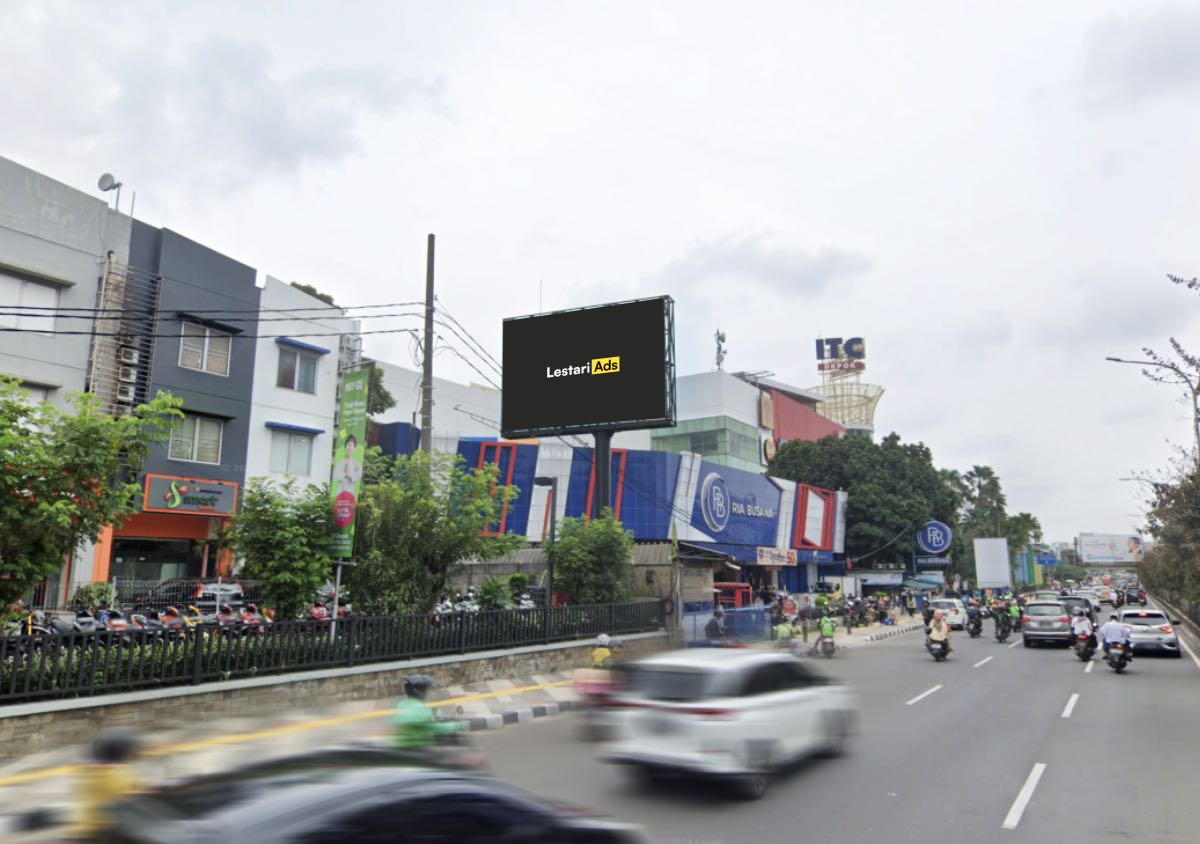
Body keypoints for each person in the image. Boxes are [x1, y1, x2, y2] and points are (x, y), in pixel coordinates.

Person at [72, 728, 143, 839]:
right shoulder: (116, 773)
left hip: (84, 826)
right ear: (120, 751)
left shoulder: (91, 768)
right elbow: (137, 794)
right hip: (101, 830)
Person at [394, 674, 460, 750]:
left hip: (403, 745)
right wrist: (458, 726)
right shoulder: (422, 709)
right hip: (417, 748)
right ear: (418, 692)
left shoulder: (402, 704)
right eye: (425, 690)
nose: (427, 693)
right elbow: (437, 728)